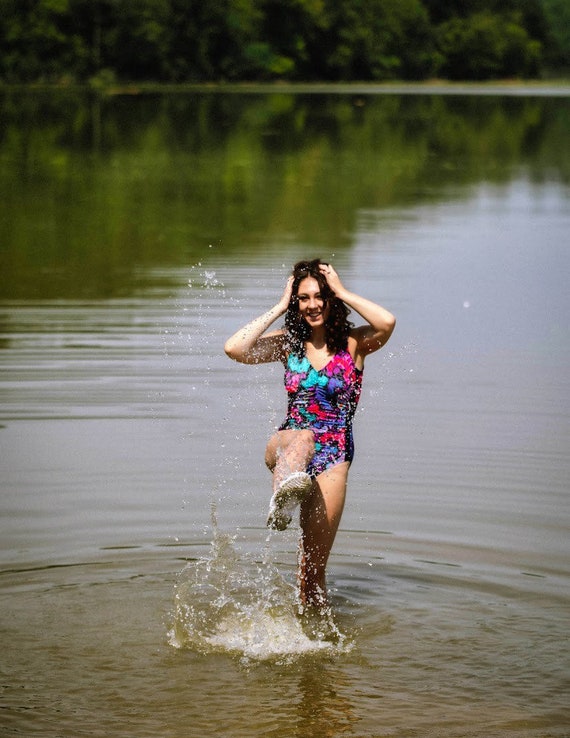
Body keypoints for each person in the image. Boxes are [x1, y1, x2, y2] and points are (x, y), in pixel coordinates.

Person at [224, 259, 395, 610]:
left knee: (312, 575)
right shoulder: (289, 344)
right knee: (303, 437)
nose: (313, 304)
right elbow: (235, 348)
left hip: (335, 457)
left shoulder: (354, 344)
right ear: (295, 303)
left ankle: (313, 645)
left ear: (331, 300)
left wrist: (344, 291)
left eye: (320, 296)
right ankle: (284, 495)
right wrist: (278, 306)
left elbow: (386, 322)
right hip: (290, 444)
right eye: (303, 298)